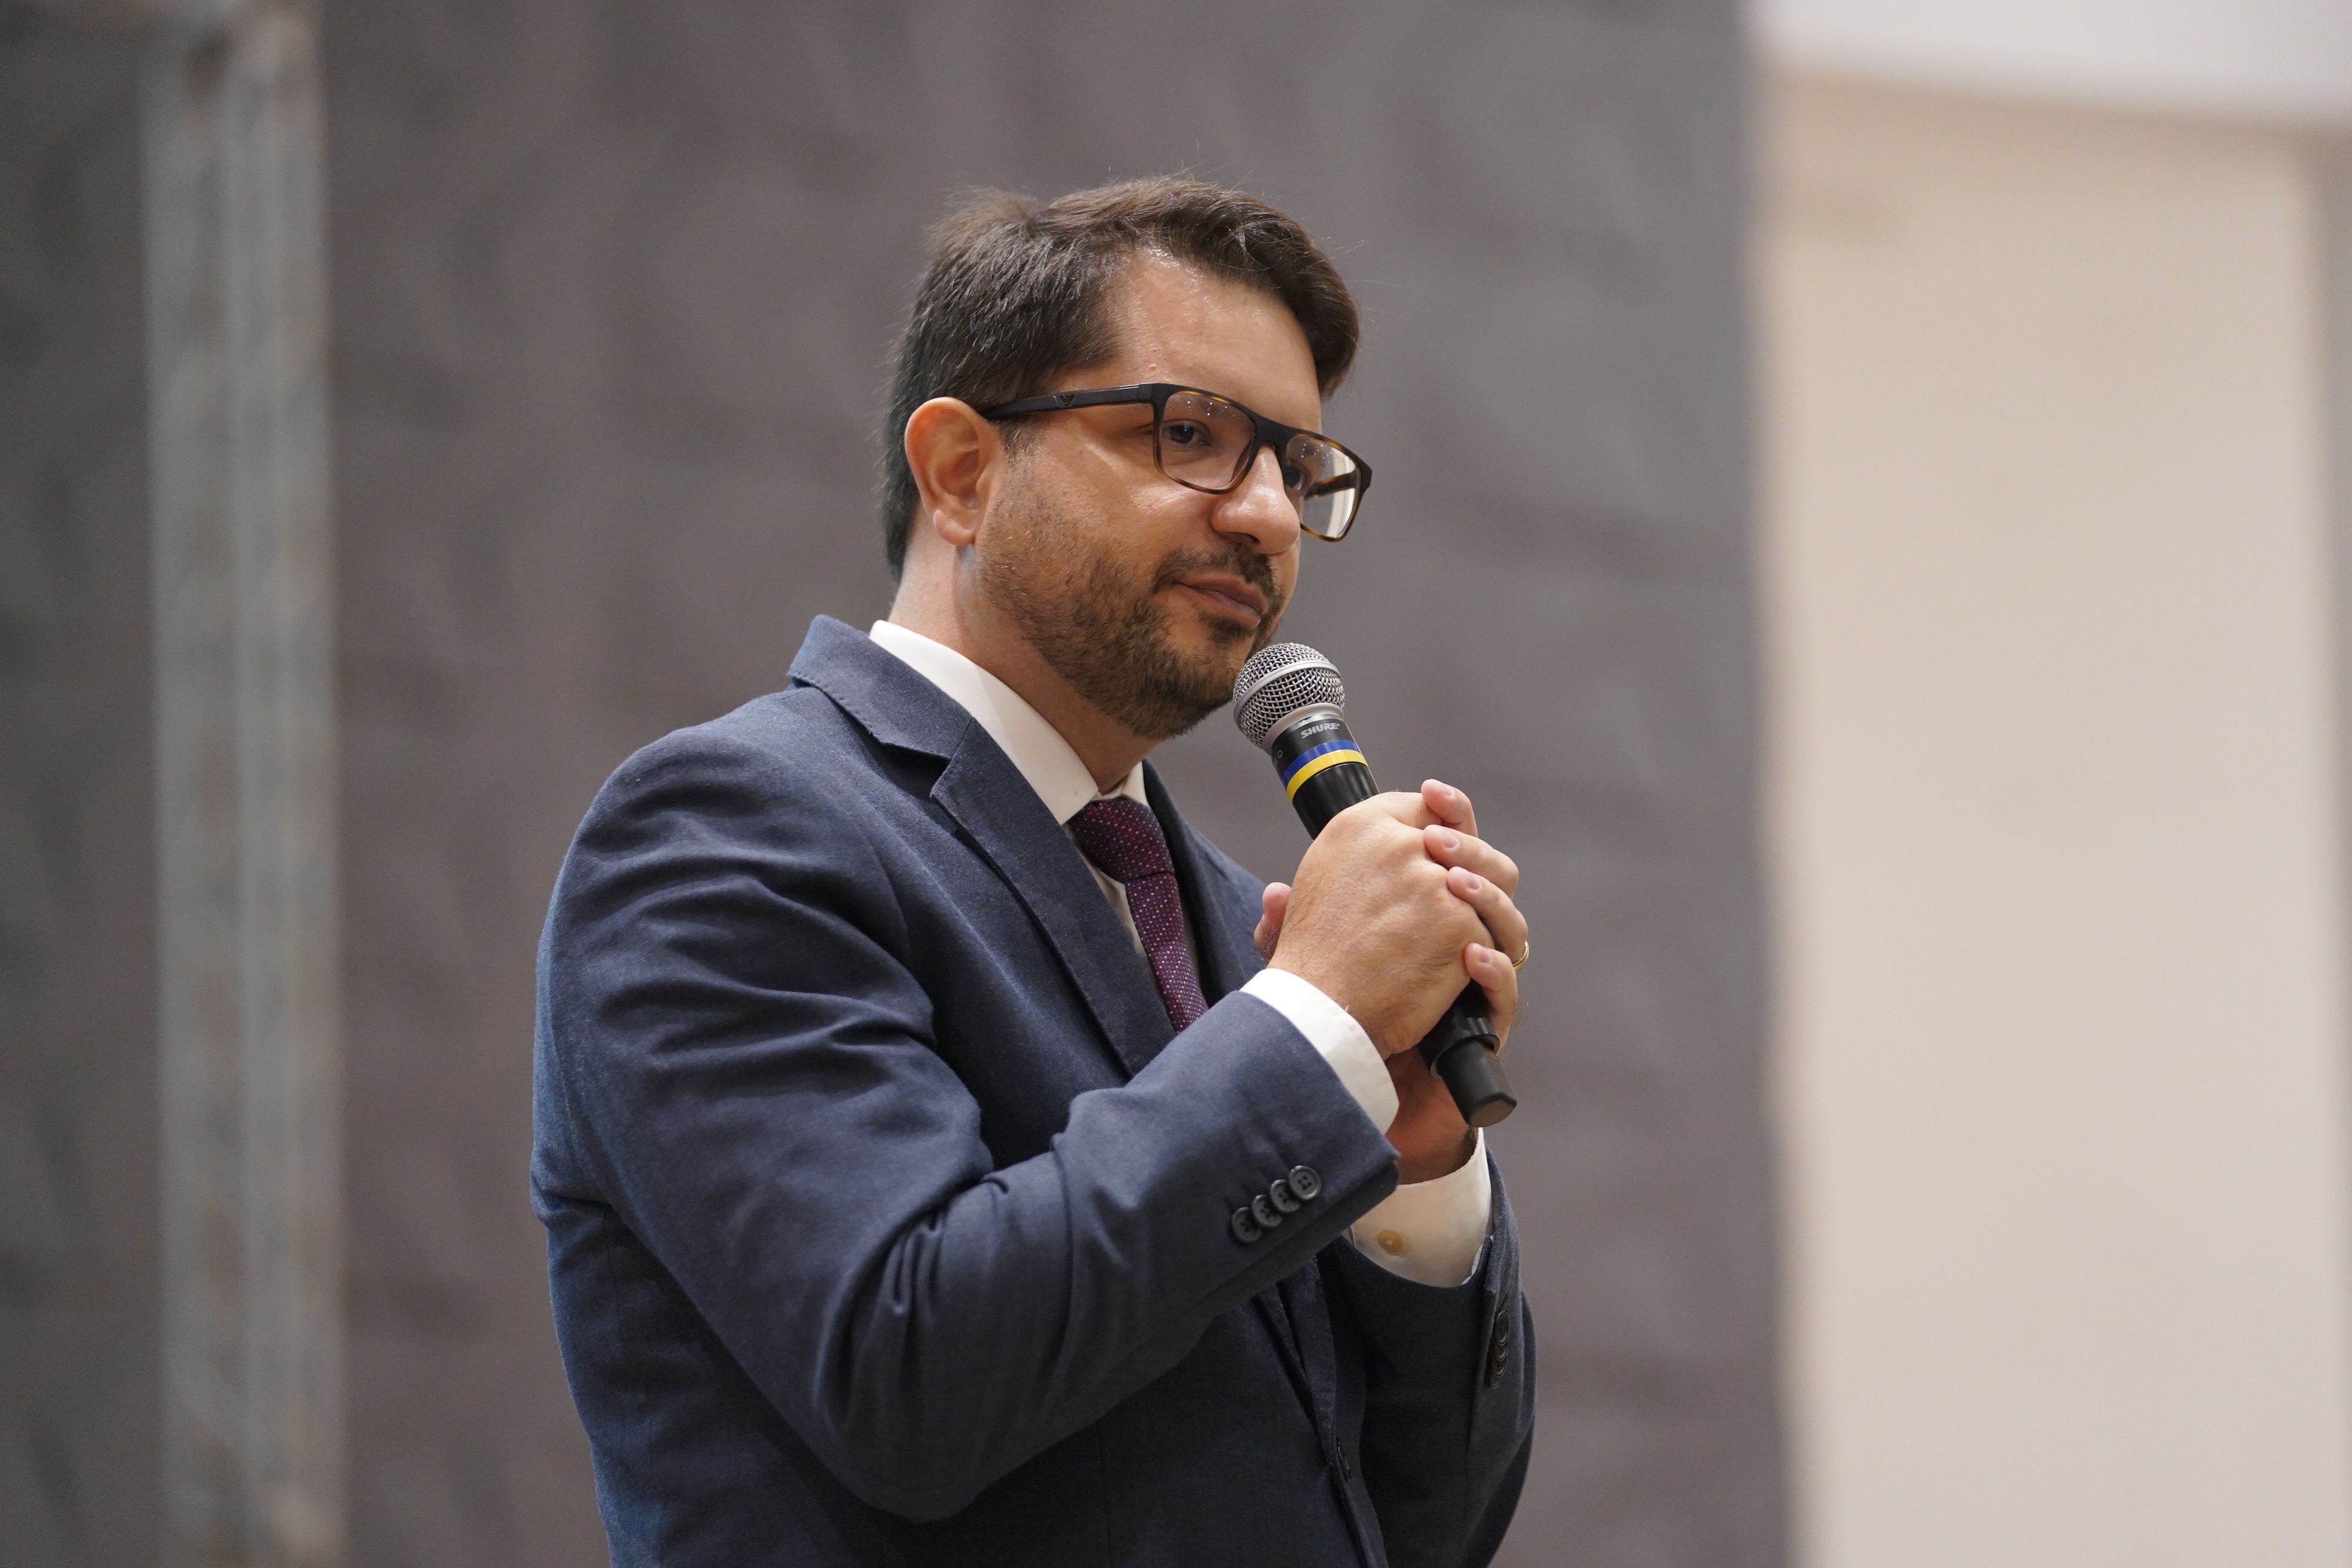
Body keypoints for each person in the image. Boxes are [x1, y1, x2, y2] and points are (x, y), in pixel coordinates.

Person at [532, 176, 1536, 1567]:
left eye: (1296, 467)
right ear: (961, 470)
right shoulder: (726, 833)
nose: (1266, 514)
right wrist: (1310, 1032)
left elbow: (1422, 1530)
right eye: (1191, 434)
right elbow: (909, 1374)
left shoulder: (1240, 928)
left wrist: (1416, 1172)